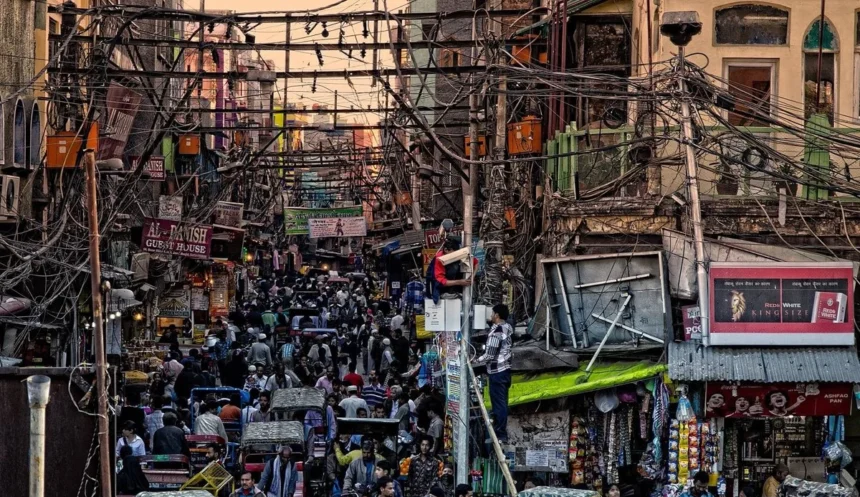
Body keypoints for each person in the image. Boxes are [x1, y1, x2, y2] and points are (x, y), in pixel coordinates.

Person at [476, 304, 513, 442]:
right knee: (501, 403)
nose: (491, 316)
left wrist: (476, 360)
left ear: (497, 315)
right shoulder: (507, 327)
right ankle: (499, 432)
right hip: (505, 370)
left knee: (499, 405)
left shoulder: (497, 331)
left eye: (492, 313)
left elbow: (489, 355)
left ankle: (500, 434)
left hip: (497, 371)